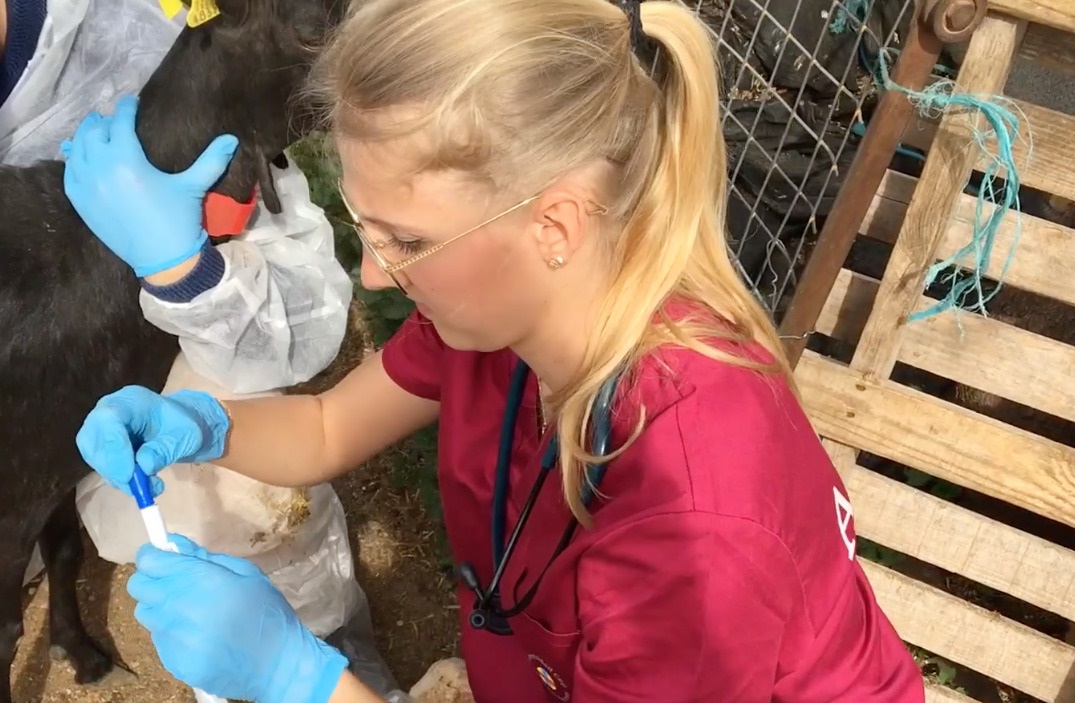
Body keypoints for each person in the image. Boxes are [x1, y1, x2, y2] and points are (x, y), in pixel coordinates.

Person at [63, 0, 926, 700]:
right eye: (366, 230)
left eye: (403, 237)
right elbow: (328, 427)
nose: (372, 276)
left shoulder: (696, 527)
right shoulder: (515, 309)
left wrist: (300, 677)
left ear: (553, 223)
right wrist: (201, 425)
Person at [0, 0, 401, 698]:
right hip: (35, 398)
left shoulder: (149, 37)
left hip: (160, 358)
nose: (384, 273)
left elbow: (302, 316)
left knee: (251, 496)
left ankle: (314, 636)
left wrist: (189, 271)